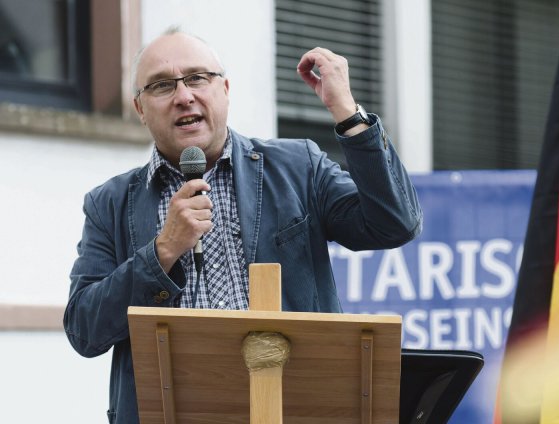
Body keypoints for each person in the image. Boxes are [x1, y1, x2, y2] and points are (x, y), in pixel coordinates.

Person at [63, 27, 422, 424]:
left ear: (226, 89)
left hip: (297, 408)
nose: (184, 96)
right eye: (163, 86)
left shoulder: (297, 167)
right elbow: (84, 330)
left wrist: (347, 112)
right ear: (140, 108)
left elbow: (395, 223)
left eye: (198, 78)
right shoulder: (110, 203)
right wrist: (162, 251)